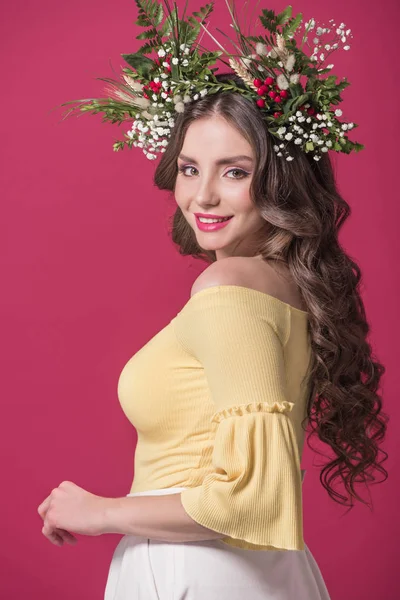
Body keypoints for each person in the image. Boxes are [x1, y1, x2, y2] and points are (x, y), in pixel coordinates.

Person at [38, 3, 389, 599]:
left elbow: (248, 499)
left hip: (199, 573)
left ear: (280, 178)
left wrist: (98, 511)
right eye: (190, 168)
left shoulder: (228, 291)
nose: (202, 195)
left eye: (234, 171)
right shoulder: (280, 285)